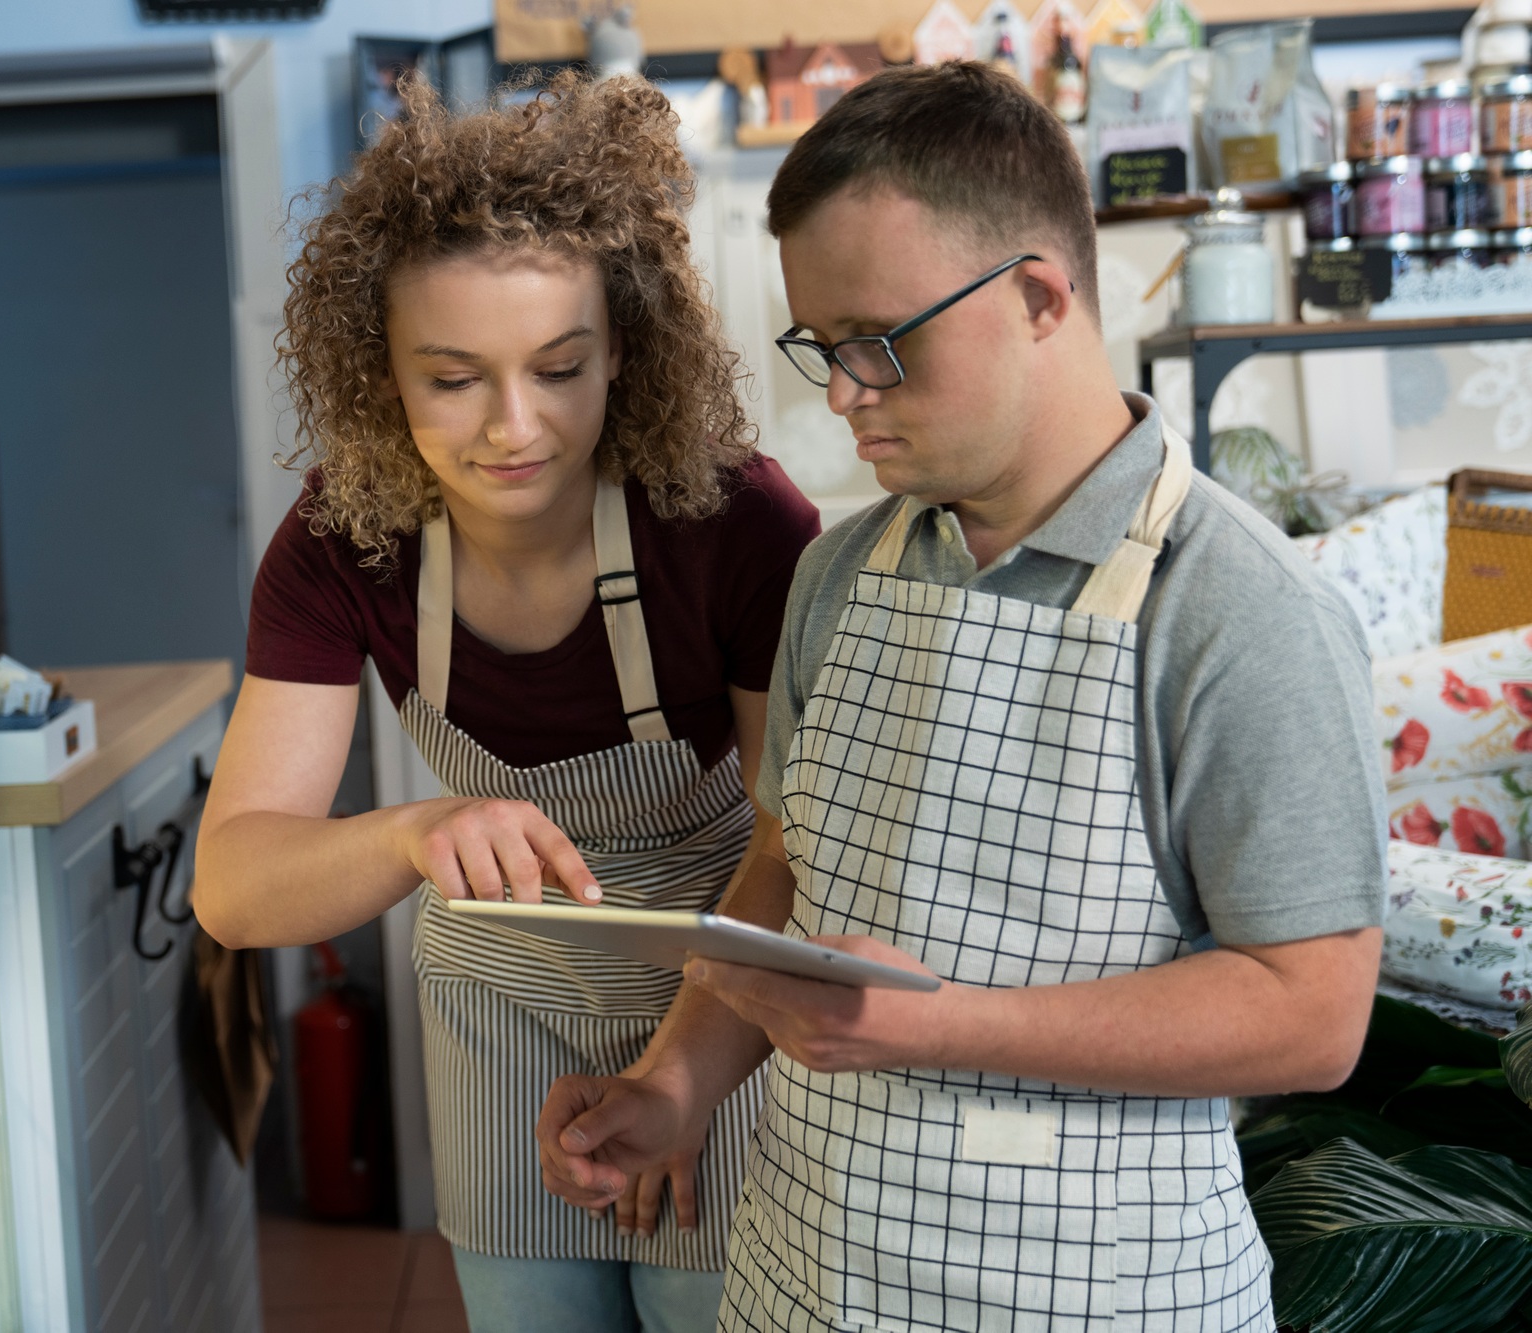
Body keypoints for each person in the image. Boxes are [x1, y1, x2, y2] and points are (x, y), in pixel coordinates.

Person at [536, 62, 1385, 1331]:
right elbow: (783, 865)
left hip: (1096, 1295)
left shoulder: (1237, 609)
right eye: (820, 348)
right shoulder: (838, 569)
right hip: (804, 1278)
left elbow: (1310, 1014)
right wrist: (672, 1088)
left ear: (1039, 294)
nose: (839, 395)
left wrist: (936, 1024)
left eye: (877, 344)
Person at [192, 74, 822, 1332]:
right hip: (498, 1004)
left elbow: (794, 836)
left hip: (717, 980)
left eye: (559, 367)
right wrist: (406, 834)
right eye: (452, 379)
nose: (513, 428)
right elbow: (234, 886)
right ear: (380, 374)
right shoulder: (339, 543)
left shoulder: (733, 521)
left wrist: (686, 1070)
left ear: (624, 348)